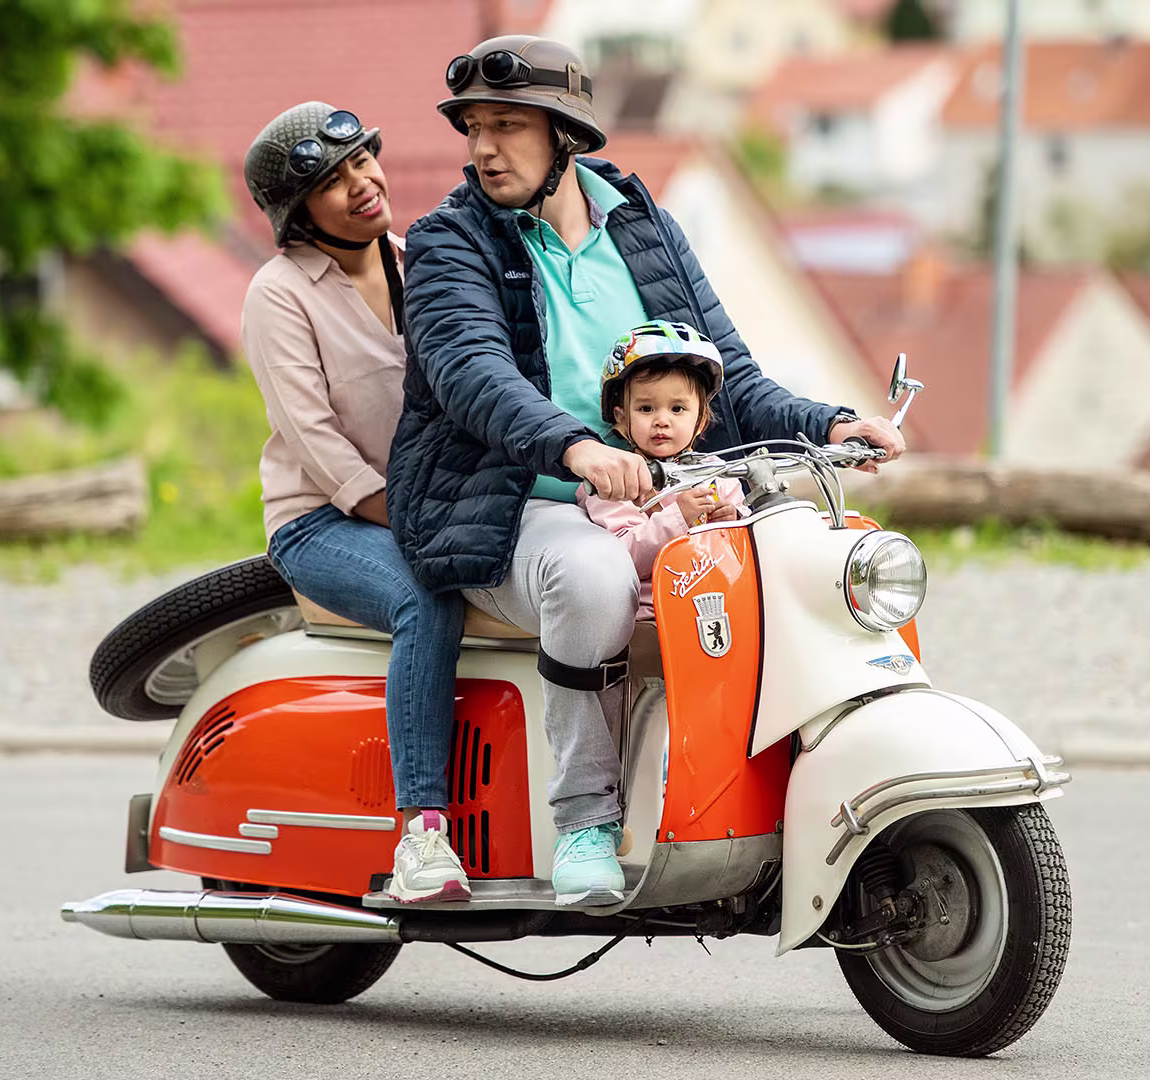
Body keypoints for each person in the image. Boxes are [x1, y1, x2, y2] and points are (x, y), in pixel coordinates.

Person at [388, 36, 907, 906]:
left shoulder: (640, 224)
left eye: (507, 126)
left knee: (801, 557)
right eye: (473, 128)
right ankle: (587, 822)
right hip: (513, 501)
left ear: (567, 138)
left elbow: (725, 372)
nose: (482, 148)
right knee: (592, 581)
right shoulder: (448, 242)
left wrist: (829, 421)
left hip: (661, 494)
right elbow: (471, 372)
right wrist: (575, 447)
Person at [239, 101, 470, 904]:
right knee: (424, 597)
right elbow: (316, 442)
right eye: (332, 183)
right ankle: (424, 835)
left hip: (422, 507)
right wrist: (418, 523)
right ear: (298, 216)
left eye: (362, 162)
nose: (361, 185)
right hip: (322, 521)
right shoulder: (279, 295)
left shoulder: (415, 263)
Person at [580, 321, 747, 618]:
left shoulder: (719, 474)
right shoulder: (614, 479)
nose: (661, 420)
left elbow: (745, 550)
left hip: (722, 605)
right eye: (646, 409)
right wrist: (678, 517)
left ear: (701, 420)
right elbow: (622, 556)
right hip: (653, 614)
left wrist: (733, 520)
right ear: (620, 418)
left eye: (677, 409)